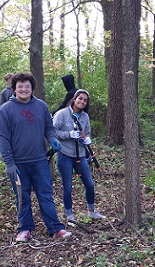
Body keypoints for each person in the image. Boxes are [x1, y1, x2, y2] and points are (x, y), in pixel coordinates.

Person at [0, 72, 71, 242]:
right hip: (18, 164)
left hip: (39, 161)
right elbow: (2, 137)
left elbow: (49, 128)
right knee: (22, 197)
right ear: (14, 89)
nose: (23, 89)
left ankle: (55, 227)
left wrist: (52, 140)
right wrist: (8, 162)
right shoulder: (5, 110)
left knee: (45, 195)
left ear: (32, 88)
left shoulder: (41, 106)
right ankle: (25, 229)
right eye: (20, 86)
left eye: (27, 86)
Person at [52, 89, 105, 223]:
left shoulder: (85, 117)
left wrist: (87, 139)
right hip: (65, 155)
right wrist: (68, 134)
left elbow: (86, 133)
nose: (82, 101)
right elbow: (53, 132)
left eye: (85, 100)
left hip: (80, 155)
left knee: (90, 184)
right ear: (74, 99)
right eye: (80, 98)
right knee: (68, 187)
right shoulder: (62, 114)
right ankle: (69, 216)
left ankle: (92, 211)